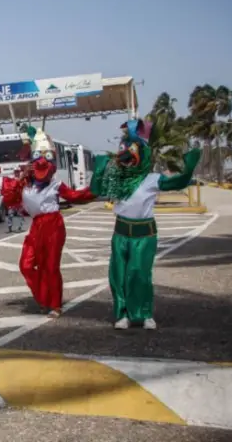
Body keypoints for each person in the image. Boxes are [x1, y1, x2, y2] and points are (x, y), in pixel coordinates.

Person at [89, 119, 200, 330]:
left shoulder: (151, 179)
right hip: (120, 233)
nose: (127, 158)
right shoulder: (116, 179)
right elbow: (96, 190)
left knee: (140, 274)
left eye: (131, 153)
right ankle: (122, 314)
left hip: (144, 234)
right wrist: (100, 168)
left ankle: (145, 313)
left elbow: (177, 182)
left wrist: (189, 166)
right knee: (119, 275)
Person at [6, 126, 94, 318]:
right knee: (26, 265)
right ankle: (44, 297)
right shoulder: (24, 183)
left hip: (54, 225)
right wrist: (21, 176)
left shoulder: (55, 184)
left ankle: (54, 305)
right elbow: (9, 199)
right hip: (36, 226)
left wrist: (95, 189)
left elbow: (74, 195)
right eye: (38, 155)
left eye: (46, 156)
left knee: (51, 266)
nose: (42, 161)